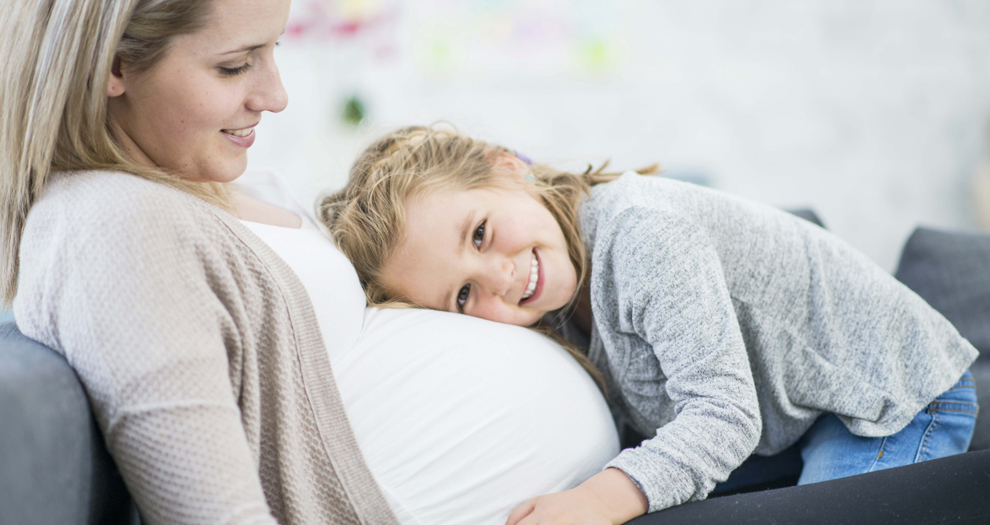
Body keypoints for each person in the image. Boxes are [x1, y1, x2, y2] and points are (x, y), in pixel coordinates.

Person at [321, 124, 980, 525]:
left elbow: (723, 416)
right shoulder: (553, 313)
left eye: (481, 233)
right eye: (463, 294)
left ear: (508, 166)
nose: (499, 277)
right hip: (791, 418)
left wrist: (601, 498)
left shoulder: (640, 233)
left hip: (888, 401)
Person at [1, 0, 398, 523]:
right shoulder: (112, 226)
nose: (276, 97)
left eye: (274, 48)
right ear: (113, 66)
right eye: (234, 65)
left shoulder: (203, 182)